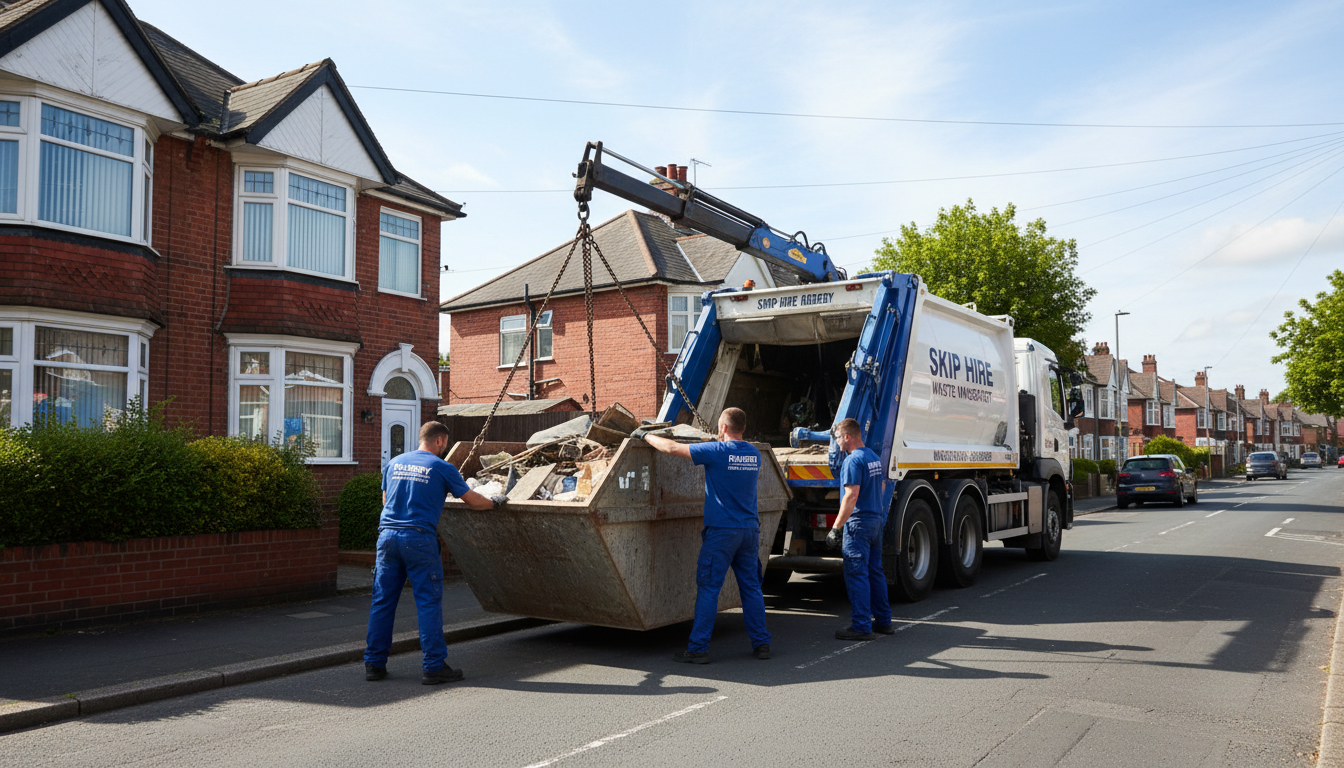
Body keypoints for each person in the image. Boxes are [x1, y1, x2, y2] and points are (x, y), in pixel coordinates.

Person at [364, 421, 503, 684]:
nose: (444, 449)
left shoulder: (395, 463)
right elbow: (472, 500)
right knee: (427, 602)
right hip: (418, 541)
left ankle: (373, 664)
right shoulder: (441, 467)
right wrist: (494, 503)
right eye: (445, 444)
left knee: (382, 602)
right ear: (440, 441)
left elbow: (386, 500)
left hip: (387, 538)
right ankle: (433, 666)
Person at [637, 407, 772, 663]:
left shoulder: (717, 453)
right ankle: (762, 644)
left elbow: (671, 448)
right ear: (742, 428)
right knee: (752, 588)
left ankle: (698, 648)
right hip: (749, 531)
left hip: (722, 532)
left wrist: (644, 436)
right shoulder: (754, 454)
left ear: (722, 428)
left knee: (710, 588)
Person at [826, 418, 894, 641]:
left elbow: (851, 495)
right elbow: (882, 485)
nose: (836, 443)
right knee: (875, 571)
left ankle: (861, 626)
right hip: (875, 520)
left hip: (858, 524)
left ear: (847, 437)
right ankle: (883, 622)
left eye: (837, 438)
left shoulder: (852, 461)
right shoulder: (873, 457)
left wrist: (836, 527)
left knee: (857, 573)